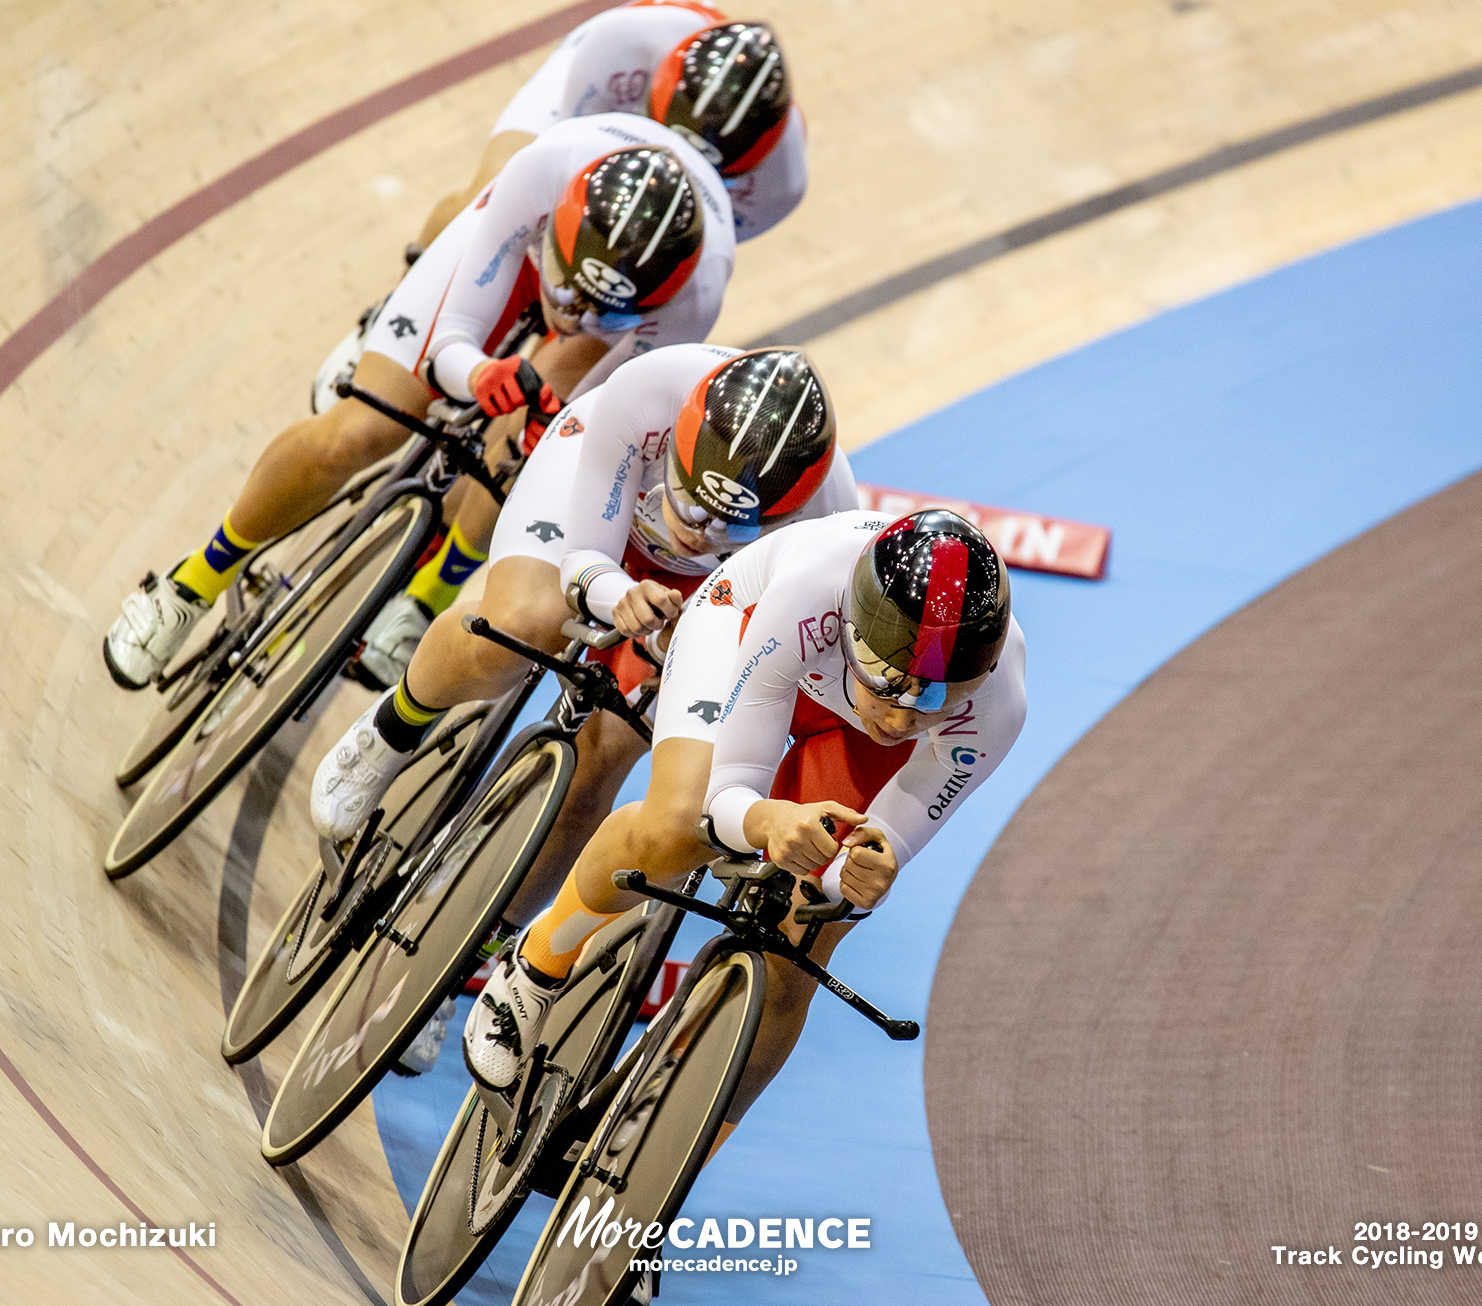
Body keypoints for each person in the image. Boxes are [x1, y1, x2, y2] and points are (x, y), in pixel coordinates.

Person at [308, 344, 855, 1068]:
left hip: (711, 594)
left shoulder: (825, 523)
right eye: (691, 495)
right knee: (515, 629)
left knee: (609, 753)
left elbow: (764, 654)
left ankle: (464, 953)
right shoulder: (648, 392)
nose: (696, 525)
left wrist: (688, 659)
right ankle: (391, 728)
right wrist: (610, 591)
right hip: (602, 512)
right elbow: (585, 551)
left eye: (728, 518)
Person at [102, 114, 735, 690]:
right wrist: (481, 373)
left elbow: (602, 426)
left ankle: (428, 592)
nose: (573, 314)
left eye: (601, 306)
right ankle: (195, 581)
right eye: (570, 291)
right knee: (359, 432)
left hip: (615, 313)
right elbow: (452, 337)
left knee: (533, 441)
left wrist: (542, 428)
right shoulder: (542, 175)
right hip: (521, 253)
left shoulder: (688, 303)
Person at [460, 509, 1026, 1137]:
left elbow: (882, 845)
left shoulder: (996, 707)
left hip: (841, 717)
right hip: (749, 628)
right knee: (678, 823)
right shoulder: (810, 593)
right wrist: (762, 820)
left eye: (934, 698)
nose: (901, 718)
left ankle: (673, 1150)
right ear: (858, 630)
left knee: (805, 940)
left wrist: (862, 874)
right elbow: (729, 794)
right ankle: (531, 973)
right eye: (890, 684)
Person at [350, 12, 809, 684]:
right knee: (489, 190)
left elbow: (622, 373)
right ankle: (386, 316)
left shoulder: (776, 184)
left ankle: (439, 580)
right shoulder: (621, 45)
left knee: (552, 405)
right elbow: (520, 187)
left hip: (642, 254)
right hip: (573, 177)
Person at [413, 3, 805, 254]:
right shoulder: (626, 41)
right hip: (604, 94)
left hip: (671, 170)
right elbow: (562, 149)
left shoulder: (777, 189)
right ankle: (411, 281)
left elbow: (689, 255)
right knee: (488, 201)